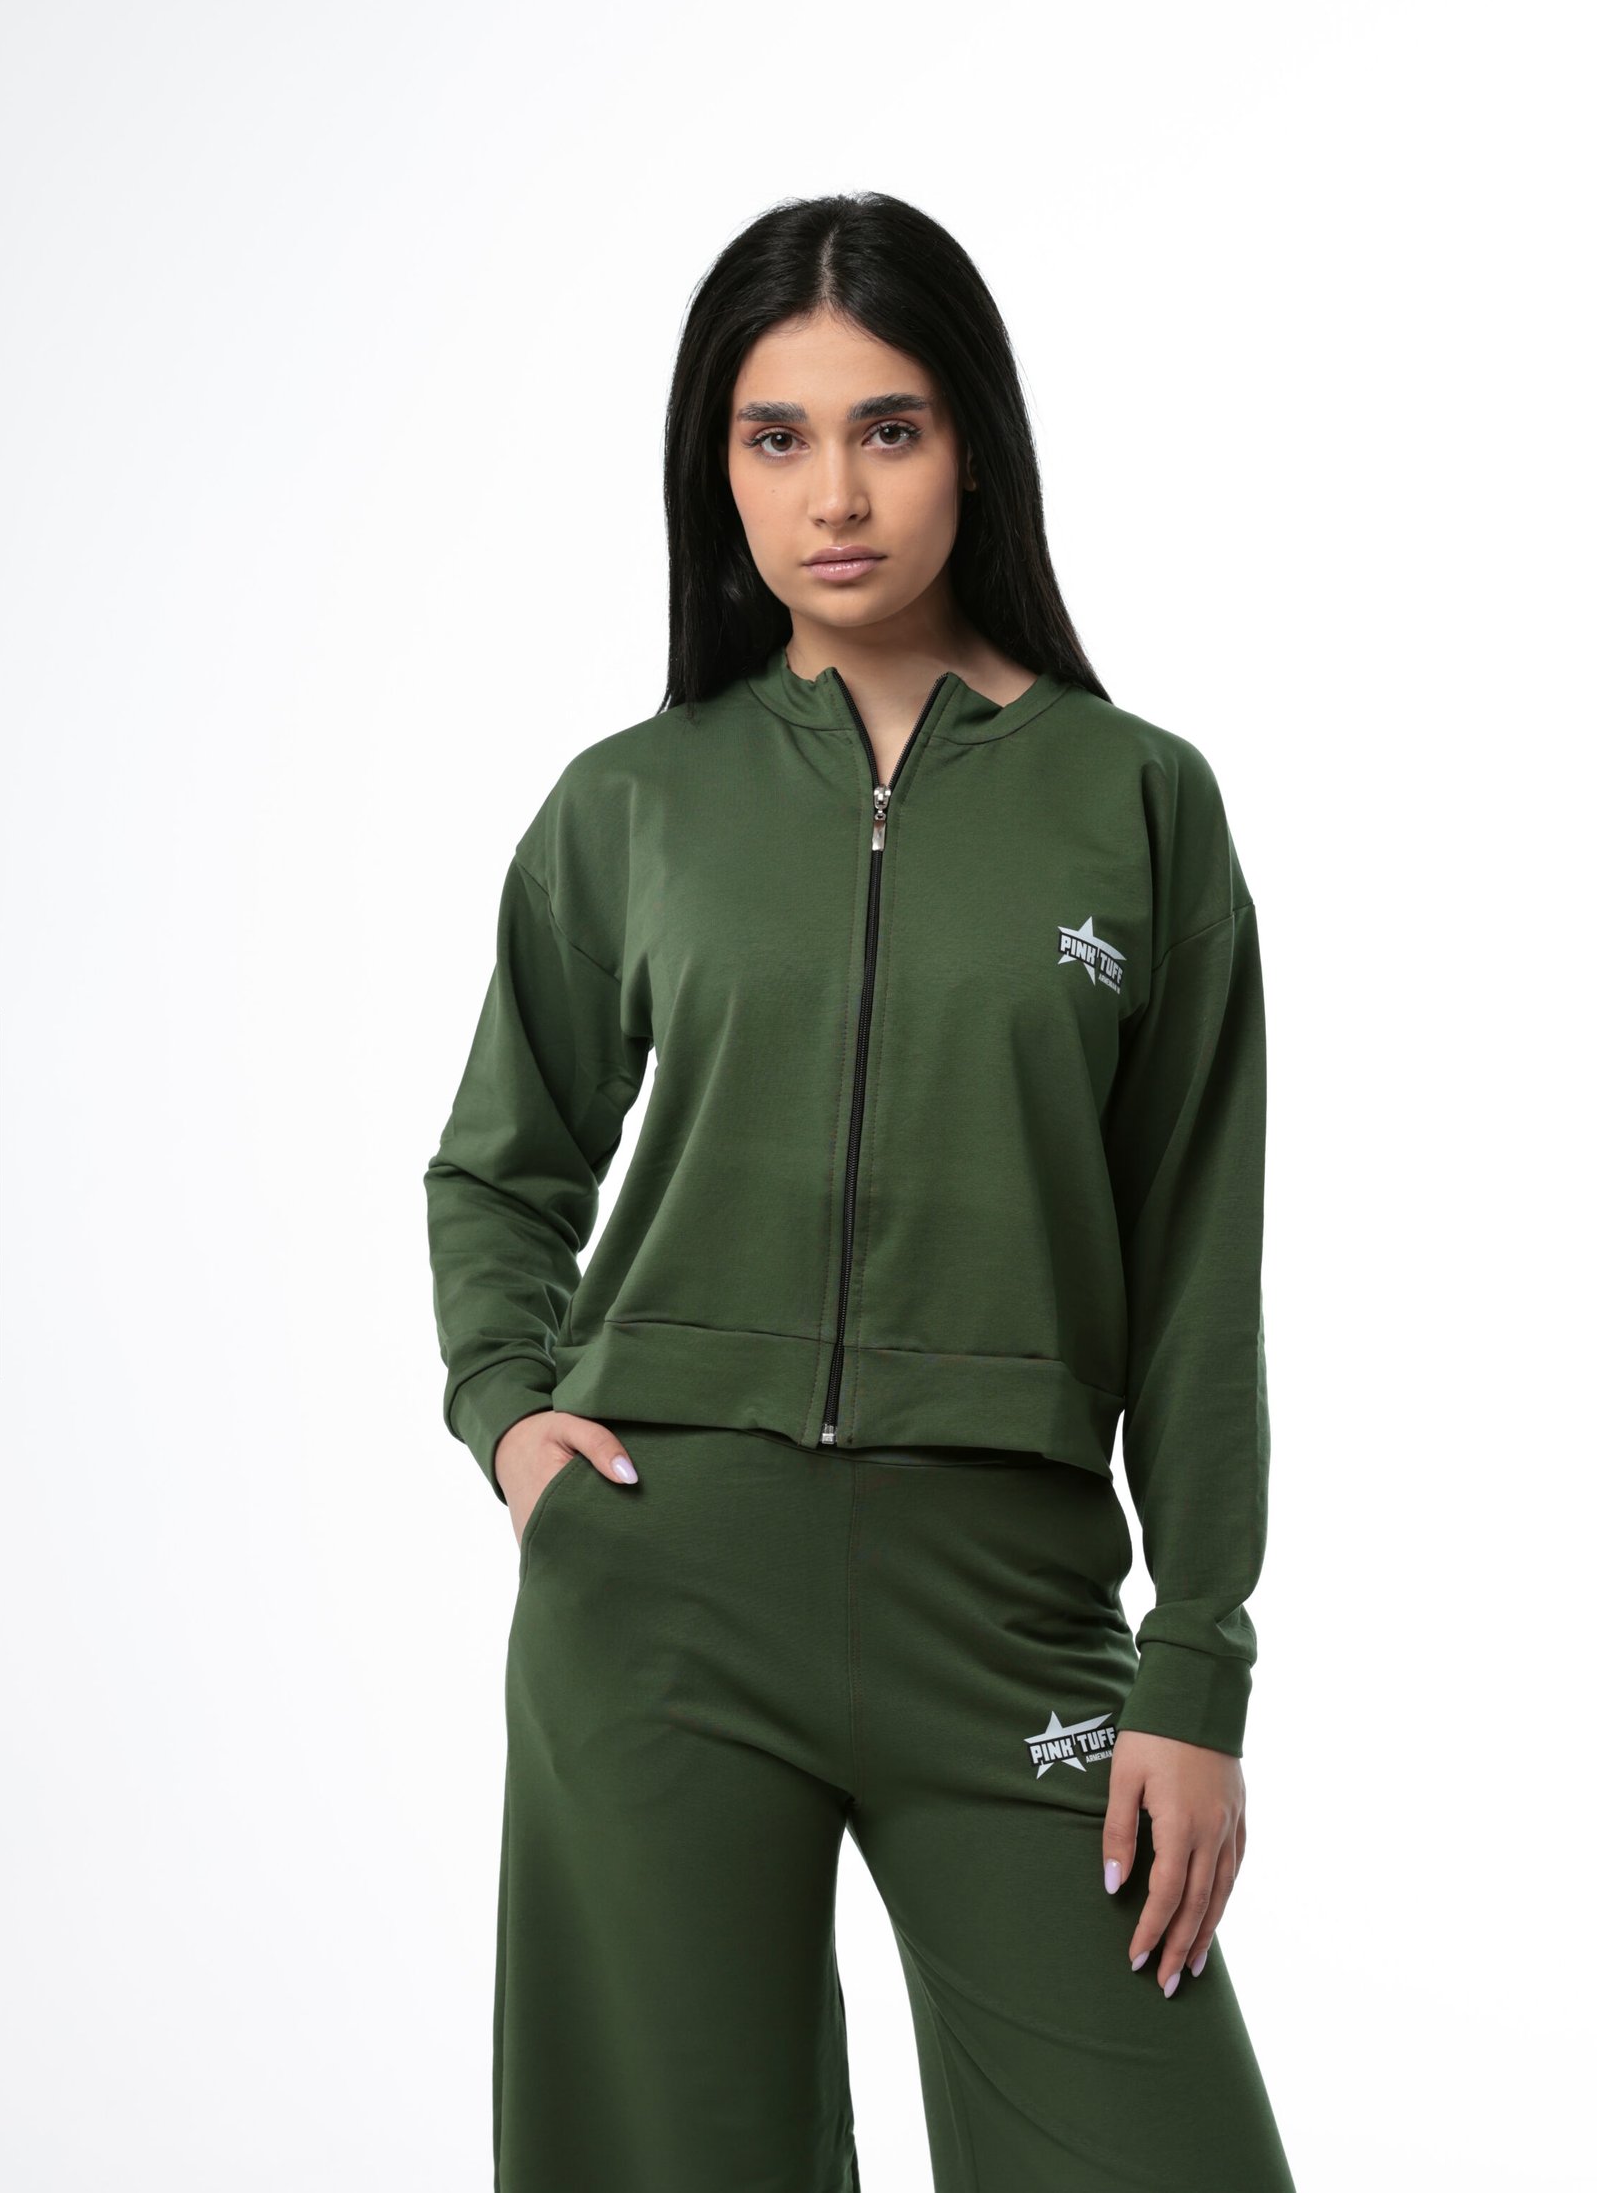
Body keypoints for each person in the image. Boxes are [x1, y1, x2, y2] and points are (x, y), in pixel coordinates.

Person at [423, 190, 1297, 2192]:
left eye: (886, 428)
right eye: (776, 435)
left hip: (1007, 1610)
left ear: (971, 445)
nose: (833, 493)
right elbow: (500, 1162)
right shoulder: (634, 804)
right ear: (715, 466)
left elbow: (1197, 1263)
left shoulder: (1135, 801)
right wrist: (512, 1417)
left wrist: (1196, 1662)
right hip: (661, 1593)